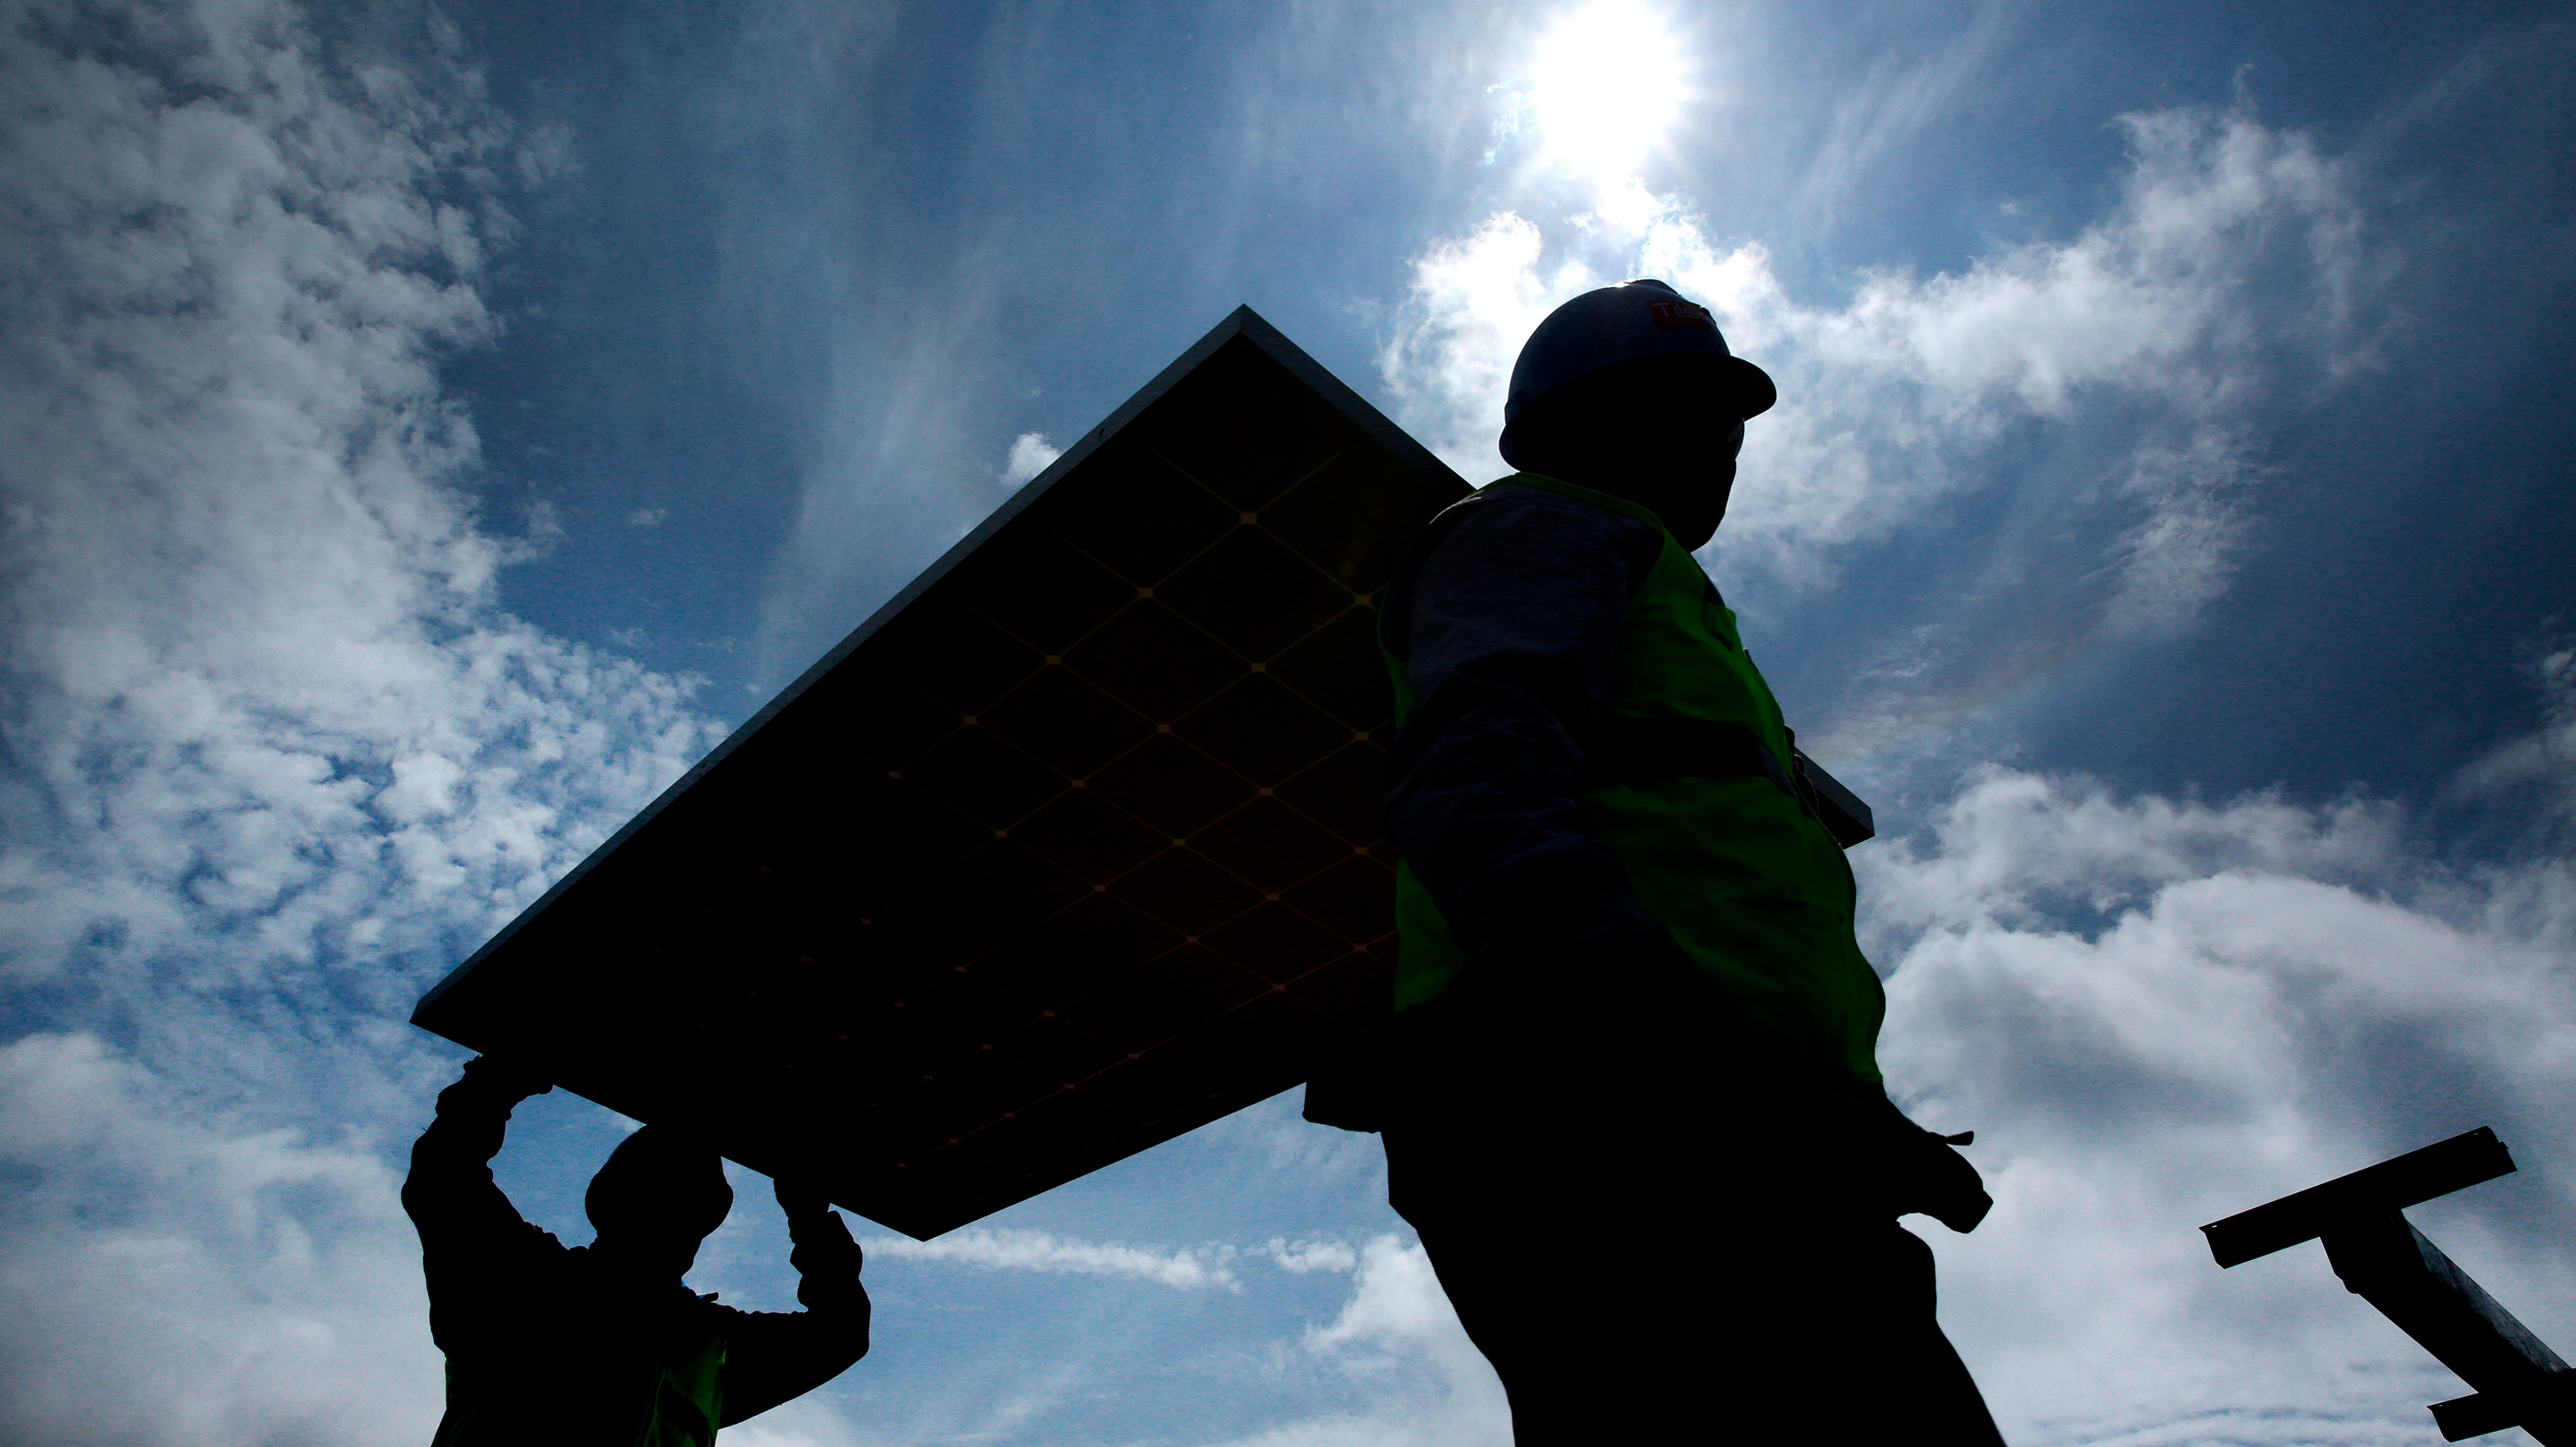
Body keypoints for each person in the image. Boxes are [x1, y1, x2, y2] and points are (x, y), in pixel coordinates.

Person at [1320, 278, 2004, 1443]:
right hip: (1601, 1101)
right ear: (1574, 424)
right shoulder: (1544, 529)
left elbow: (1724, 897)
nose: (1719, 445)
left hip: (1725, 1115)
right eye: (1675, 406)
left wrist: (1852, 1113)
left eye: (1726, 417)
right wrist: (1649, 1012)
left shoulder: (1665, 596)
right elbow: (1473, 779)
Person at [404, 1055, 872, 1446]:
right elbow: (443, 1178)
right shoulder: (521, 1278)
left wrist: (811, 1221)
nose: (673, 1201)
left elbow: (841, 1335)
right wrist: (495, 1083)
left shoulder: (710, 1340)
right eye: (663, 1186)